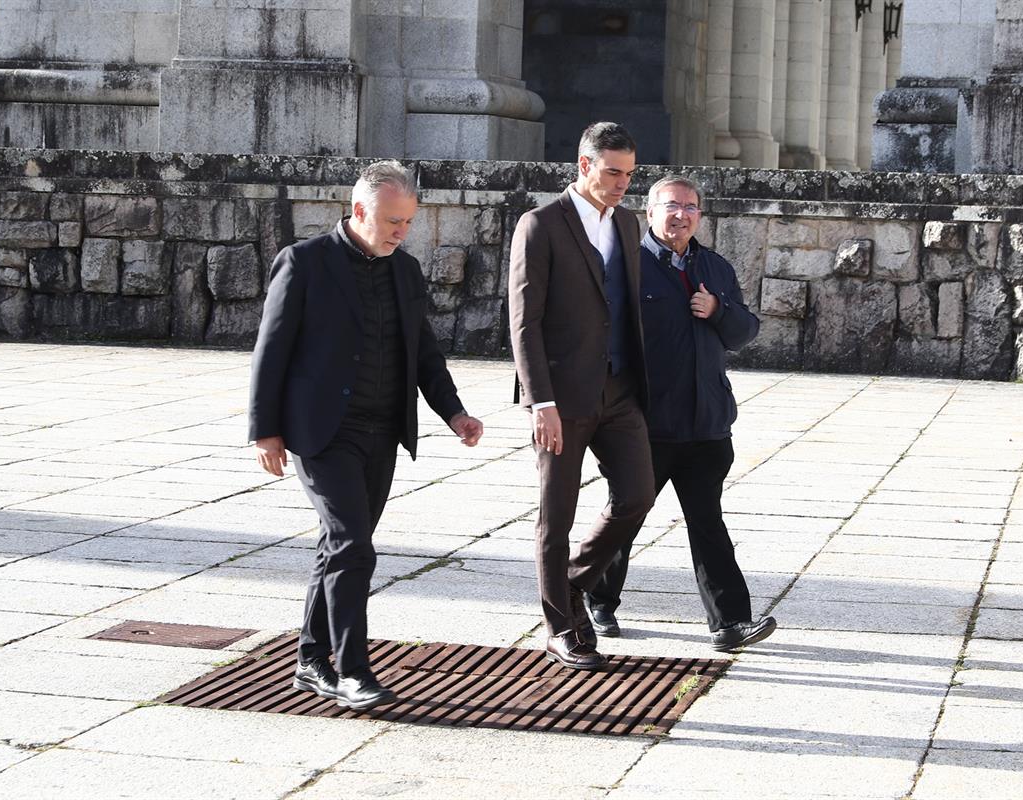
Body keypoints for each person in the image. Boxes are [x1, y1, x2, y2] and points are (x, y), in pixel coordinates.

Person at [248, 160, 484, 709]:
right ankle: (352, 670)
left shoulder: (405, 272)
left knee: (340, 547)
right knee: (355, 545)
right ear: (359, 211)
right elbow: (271, 348)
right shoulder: (304, 263)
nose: (402, 233)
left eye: (408, 223)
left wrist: (454, 414)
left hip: (383, 432)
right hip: (321, 433)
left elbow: (424, 352)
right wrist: (266, 431)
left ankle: (310, 660)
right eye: (392, 222)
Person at [585, 175, 777, 653]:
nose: (682, 215)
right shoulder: (625, 267)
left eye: (691, 207)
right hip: (643, 425)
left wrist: (717, 309)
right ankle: (598, 598)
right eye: (672, 206)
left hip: (707, 424)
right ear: (649, 212)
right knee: (627, 513)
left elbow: (743, 330)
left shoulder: (714, 267)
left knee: (707, 521)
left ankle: (730, 623)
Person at [508, 121, 656, 671]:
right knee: (557, 514)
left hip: (620, 389)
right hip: (561, 396)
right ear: (584, 165)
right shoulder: (540, 225)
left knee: (637, 495)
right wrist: (539, 401)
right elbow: (524, 322)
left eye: (630, 174)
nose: (622, 184)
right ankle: (559, 629)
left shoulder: (628, 223)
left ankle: (570, 585)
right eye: (613, 172)